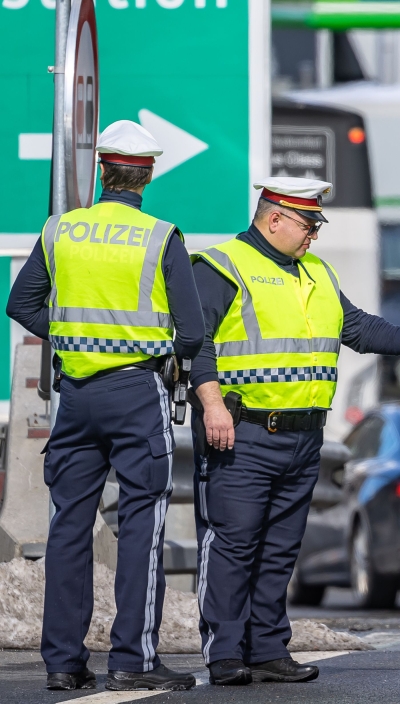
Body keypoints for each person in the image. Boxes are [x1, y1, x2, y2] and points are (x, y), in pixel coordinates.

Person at [190, 177, 400, 686]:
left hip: (303, 437)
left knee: (279, 549)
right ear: (273, 218)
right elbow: (193, 341)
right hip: (243, 434)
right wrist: (211, 404)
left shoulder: (315, 272)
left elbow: (357, 327)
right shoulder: (221, 266)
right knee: (234, 546)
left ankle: (269, 649)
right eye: (306, 223)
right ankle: (225, 653)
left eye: (317, 224)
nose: (313, 234)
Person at [6, 121, 204, 691]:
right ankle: (132, 660)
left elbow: (21, 304)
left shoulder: (60, 230)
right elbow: (190, 334)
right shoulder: (160, 236)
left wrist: (72, 338)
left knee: (68, 526)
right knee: (142, 524)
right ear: (146, 174)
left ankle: (63, 664)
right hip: (137, 395)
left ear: (102, 170)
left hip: (75, 400)